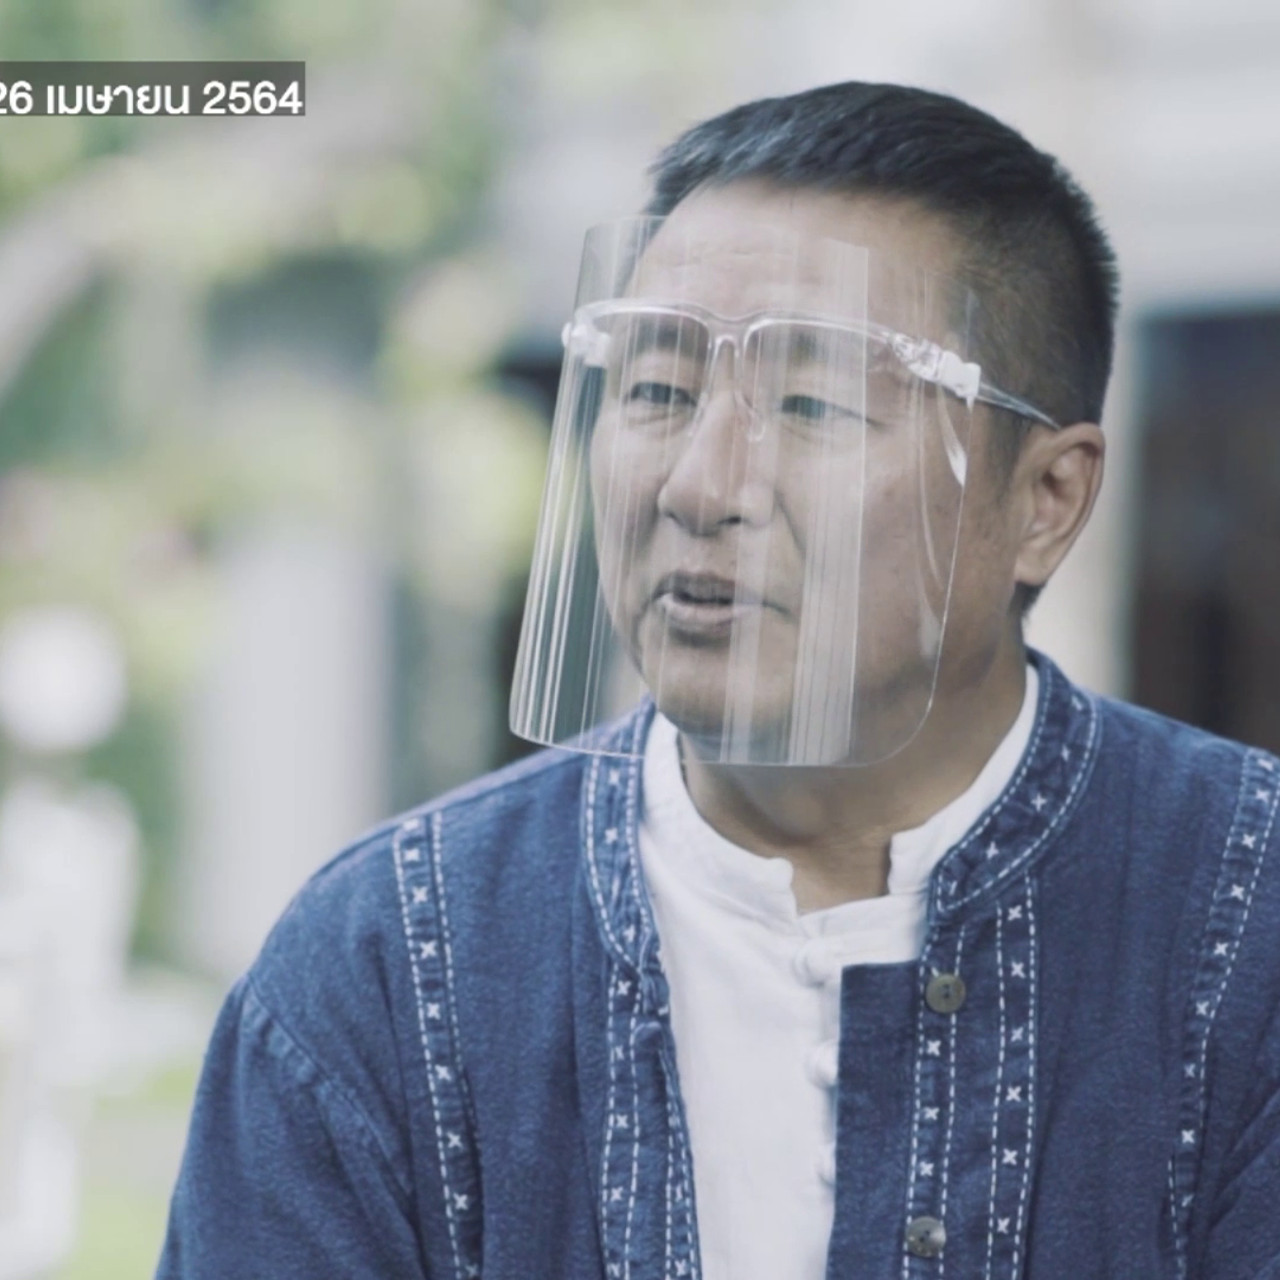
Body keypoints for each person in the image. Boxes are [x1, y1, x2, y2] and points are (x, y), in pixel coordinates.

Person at [157, 82, 1280, 1280]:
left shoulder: (1245, 917)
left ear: (1042, 500)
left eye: (812, 402)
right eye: (655, 390)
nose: (699, 483)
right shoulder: (388, 962)